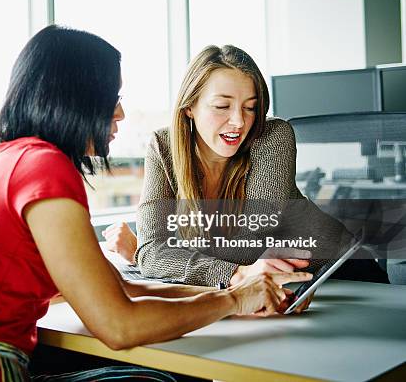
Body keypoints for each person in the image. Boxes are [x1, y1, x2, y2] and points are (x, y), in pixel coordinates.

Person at [0, 28, 311, 382]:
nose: (121, 113)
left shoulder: (20, 157)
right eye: (113, 96)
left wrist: (240, 295)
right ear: (75, 97)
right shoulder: (43, 168)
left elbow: (125, 288)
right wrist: (233, 301)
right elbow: (118, 325)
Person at [104, 44, 344, 288]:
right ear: (189, 107)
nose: (239, 121)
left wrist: (147, 254)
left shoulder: (272, 135)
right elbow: (154, 252)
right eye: (222, 106)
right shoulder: (163, 146)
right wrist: (153, 254)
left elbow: (254, 241)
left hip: (342, 274)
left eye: (250, 107)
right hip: (280, 287)